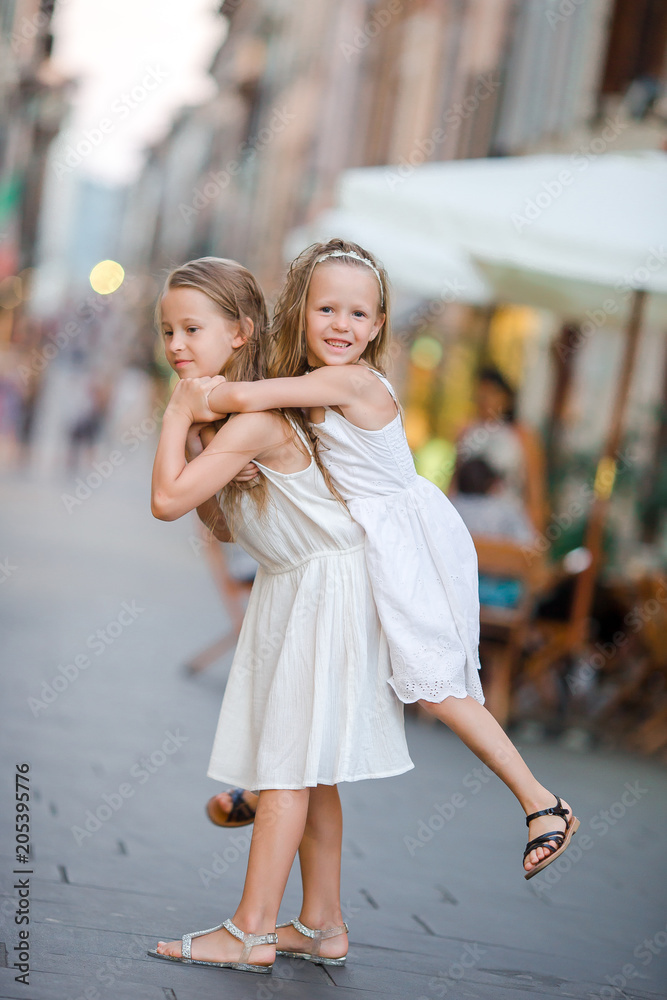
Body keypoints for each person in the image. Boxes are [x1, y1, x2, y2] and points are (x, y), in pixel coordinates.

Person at [187, 238, 579, 880]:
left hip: (404, 549)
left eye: (358, 315)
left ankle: (544, 804)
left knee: (437, 688)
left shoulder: (349, 380)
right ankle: (270, 788)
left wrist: (198, 392)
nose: (342, 326)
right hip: (371, 550)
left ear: (379, 326)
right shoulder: (314, 389)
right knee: (342, 671)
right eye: (327, 310)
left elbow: (237, 400)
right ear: (302, 313)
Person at [148, 257, 412, 973]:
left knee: (287, 766)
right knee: (313, 768)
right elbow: (225, 523)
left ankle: (249, 931)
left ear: (239, 334)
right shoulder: (238, 419)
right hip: (298, 585)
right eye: (167, 329)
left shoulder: (255, 418)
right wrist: (200, 438)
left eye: (192, 329)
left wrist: (178, 415)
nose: (176, 344)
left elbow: (166, 501)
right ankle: (322, 923)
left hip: (324, 587)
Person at [455, 366, 548, 534]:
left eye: (492, 393)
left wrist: (537, 533)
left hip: (505, 522)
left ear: (507, 398)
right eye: (481, 393)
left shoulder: (522, 436)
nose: (485, 399)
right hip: (466, 517)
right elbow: (455, 479)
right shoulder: (466, 432)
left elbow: (534, 489)